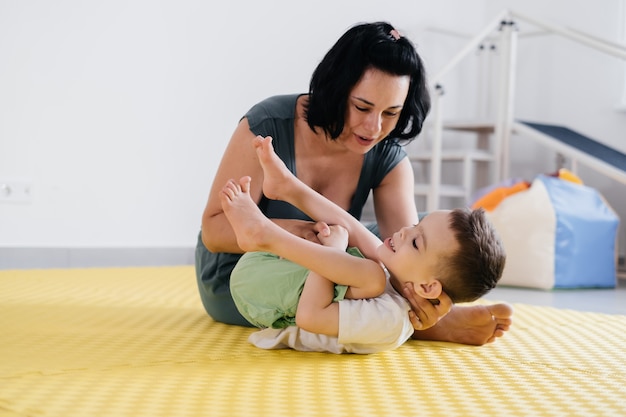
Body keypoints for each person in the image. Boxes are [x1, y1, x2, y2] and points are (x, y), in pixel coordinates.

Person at [196, 21, 513, 345]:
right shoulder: (267, 125)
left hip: (327, 273)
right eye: (362, 107)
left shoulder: (389, 159)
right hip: (244, 275)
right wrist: (304, 233)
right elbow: (214, 231)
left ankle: (420, 321)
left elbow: (406, 266)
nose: (373, 127)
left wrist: (426, 300)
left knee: (413, 245)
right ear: (336, 90)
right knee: (378, 257)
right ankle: (424, 328)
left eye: (391, 113)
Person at [221, 136, 506, 353]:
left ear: (428, 288)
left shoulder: (390, 321)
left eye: (417, 241)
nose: (406, 230)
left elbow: (309, 316)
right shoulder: (396, 274)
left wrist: (332, 250)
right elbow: (353, 228)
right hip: (271, 269)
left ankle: (264, 233)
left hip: (260, 296)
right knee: (364, 250)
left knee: (370, 274)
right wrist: (336, 244)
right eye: (417, 225)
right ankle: (288, 187)